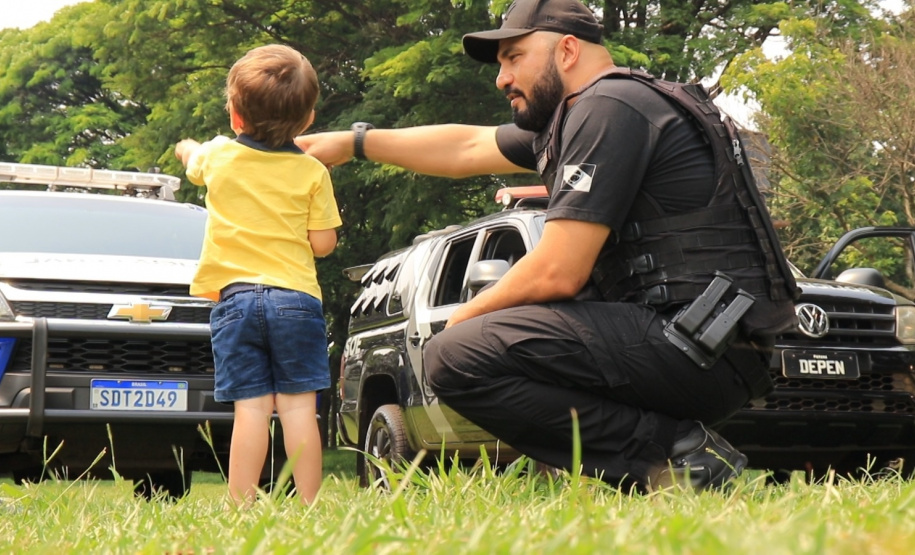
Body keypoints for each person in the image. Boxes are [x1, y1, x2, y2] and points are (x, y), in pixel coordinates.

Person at [296, 0, 797, 491]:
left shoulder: (608, 107)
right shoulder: (599, 109)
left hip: (693, 345)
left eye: (514, 58)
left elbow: (558, 270)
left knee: (455, 356)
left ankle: (677, 454)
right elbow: (467, 146)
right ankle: (665, 462)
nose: (501, 79)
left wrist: (459, 323)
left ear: (568, 50)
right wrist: (352, 142)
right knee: (469, 346)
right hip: (704, 345)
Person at [175, 44, 342, 505]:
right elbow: (323, 244)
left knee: (250, 410)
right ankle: (307, 504)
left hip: (235, 301)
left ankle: (240, 505)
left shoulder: (218, 157)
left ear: (235, 115)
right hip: (296, 300)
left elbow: (192, 160)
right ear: (307, 121)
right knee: (298, 410)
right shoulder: (312, 170)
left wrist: (186, 146)